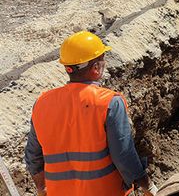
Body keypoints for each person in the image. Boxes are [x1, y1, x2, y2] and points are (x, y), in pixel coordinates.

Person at [24, 31, 156, 196]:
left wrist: (42, 188)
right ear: (95, 68)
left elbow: (33, 156)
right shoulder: (109, 102)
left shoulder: (42, 103)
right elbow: (123, 156)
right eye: (102, 59)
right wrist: (147, 186)